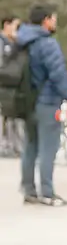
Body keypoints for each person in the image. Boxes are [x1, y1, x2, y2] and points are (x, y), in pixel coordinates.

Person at [18, 4, 67, 206]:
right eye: (54, 19)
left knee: (30, 146)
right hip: (48, 101)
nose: (55, 22)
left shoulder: (22, 41)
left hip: (26, 101)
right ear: (46, 20)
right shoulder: (47, 44)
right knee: (48, 148)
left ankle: (29, 190)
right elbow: (57, 73)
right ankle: (47, 192)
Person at [0, 15, 22, 158]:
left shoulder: (14, 42)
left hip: (12, 86)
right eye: (15, 26)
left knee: (12, 117)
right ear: (7, 25)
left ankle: (14, 146)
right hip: (2, 84)